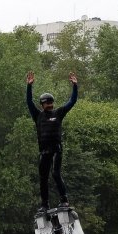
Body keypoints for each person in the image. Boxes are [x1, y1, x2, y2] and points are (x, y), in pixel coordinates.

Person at [26, 70, 78, 213]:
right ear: (42, 104)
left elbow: (72, 101)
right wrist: (29, 86)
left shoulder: (59, 113)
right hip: (44, 152)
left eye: (51, 102)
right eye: (47, 103)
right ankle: (45, 204)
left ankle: (64, 200)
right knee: (43, 178)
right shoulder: (38, 116)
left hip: (56, 150)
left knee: (55, 174)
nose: (50, 104)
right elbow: (29, 102)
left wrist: (75, 86)